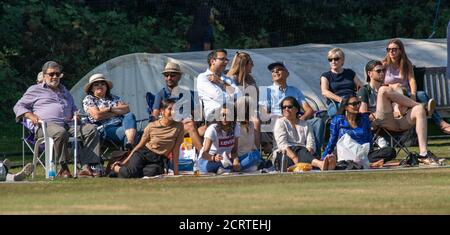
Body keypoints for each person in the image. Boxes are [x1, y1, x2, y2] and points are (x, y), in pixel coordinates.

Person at [14, 61, 102, 178]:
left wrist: (76, 115)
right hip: (45, 126)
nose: (55, 76)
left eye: (57, 74)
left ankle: (87, 166)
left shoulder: (65, 91)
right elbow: (18, 106)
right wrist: (31, 116)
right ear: (44, 75)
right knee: (60, 132)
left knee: (91, 129)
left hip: (68, 125)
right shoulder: (35, 90)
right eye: (51, 74)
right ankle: (64, 168)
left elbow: (73, 108)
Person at [358, 60, 441, 165]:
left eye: (383, 70)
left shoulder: (388, 89)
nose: (382, 73)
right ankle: (420, 105)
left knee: (419, 111)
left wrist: (398, 106)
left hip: (395, 121)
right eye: (378, 71)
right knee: (384, 90)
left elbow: (398, 111)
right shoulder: (365, 90)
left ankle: (423, 153)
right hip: (377, 123)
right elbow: (363, 114)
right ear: (370, 73)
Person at [383, 39, 450, 134]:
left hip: (406, 93)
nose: (391, 51)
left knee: (421, 94)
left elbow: (412, 80)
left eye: (394, 49)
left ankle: (440, 123)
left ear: (400, 50)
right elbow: (380, 83)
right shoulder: (384, 65)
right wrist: (392, 85)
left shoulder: (406, 63)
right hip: (392, 95)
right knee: (402, 92)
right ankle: (426, 109)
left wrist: (413, 94)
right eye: (388, 49)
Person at [259, 61, 325, 156]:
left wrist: (300, 120)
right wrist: (282, 118)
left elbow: (309, 110)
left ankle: (315, 154)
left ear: (287, 73)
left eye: (279, 70)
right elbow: (264, 112)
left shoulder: (294, 90)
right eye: (273, 71)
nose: (275, 72)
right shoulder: (266, 91)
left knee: (317, 122)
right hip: (278, 122)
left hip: (296, 120)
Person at [111, 99, 185, 178]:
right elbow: (139, 145)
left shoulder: (179, 126)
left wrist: (176, 172)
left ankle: (125, 172)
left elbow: (176, 150)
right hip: (143, 154)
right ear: (162, 111)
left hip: (159, 159)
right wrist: (124, 162)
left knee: (154, 172)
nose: (173, 112)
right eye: (170, 109)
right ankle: (117, 169)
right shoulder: (151, 126)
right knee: (132, 172)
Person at [274, 97, 334, 171]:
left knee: (303, 151)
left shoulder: (305, 124)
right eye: (284, 107)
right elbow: (282, 144)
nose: (286, 109)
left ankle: (308, 165)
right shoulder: (280, 122)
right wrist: (295, 158)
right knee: (299, 152)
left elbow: (310, 142)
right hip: (286, 153)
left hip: (304, 152)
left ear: (296, 109)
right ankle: (320, 164)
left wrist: (307, 153)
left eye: (289, 107)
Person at [83, 73, 138, 151]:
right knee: (135, 134)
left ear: (106, 87)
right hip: (106, 127)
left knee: (130, 115)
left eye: (103, 84)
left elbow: (126, 109)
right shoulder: (89, 99)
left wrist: (108, 109)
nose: (100, 86)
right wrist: (118, 111)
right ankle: (130, 148)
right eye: (96, 84)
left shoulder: (113, 97)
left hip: (123, 123)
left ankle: (129, 143)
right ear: (91, 89)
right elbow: (97, 116)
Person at [196, 49, 239, 120]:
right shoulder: (203, 77)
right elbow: (219, 97)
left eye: (226, 60)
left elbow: (238, 94)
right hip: (214, 114)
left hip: (231, 111)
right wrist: (232, 95)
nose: (225, 62)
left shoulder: (226, 79)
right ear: (212, 61)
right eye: (222, 59)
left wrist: (221, 82)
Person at [320, 48, 363, 117]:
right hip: (336, 103)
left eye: (336, 59)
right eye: (330, 60)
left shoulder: (350, 73)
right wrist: (342, 100)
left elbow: (361, 87)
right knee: (352, 108)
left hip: (353, 100)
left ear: (342, 60)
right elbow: (324, 91)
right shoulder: (326, 76)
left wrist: (359, 98)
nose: (333, 61)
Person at [198, 105, 240, 174]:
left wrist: (236, 160)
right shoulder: (213, 129)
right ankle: (228, 168)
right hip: (208, 161)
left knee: (254, 156)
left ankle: (227, 168)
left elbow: (234, 151)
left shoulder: (236, 127)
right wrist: (214, 158)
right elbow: (204, 154)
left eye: (227, 115)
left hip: (226, 159)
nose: (224, 118)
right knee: (229, 164)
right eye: (222, 115)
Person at [236, 97, 261, 172]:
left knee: (256, 155)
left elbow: (255, 145)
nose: (253, 111)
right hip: (236, 158)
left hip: (247, 157)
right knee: (256, 157)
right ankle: (237, 167)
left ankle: (241, 167)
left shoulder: (251, 124)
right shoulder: (235, 125)